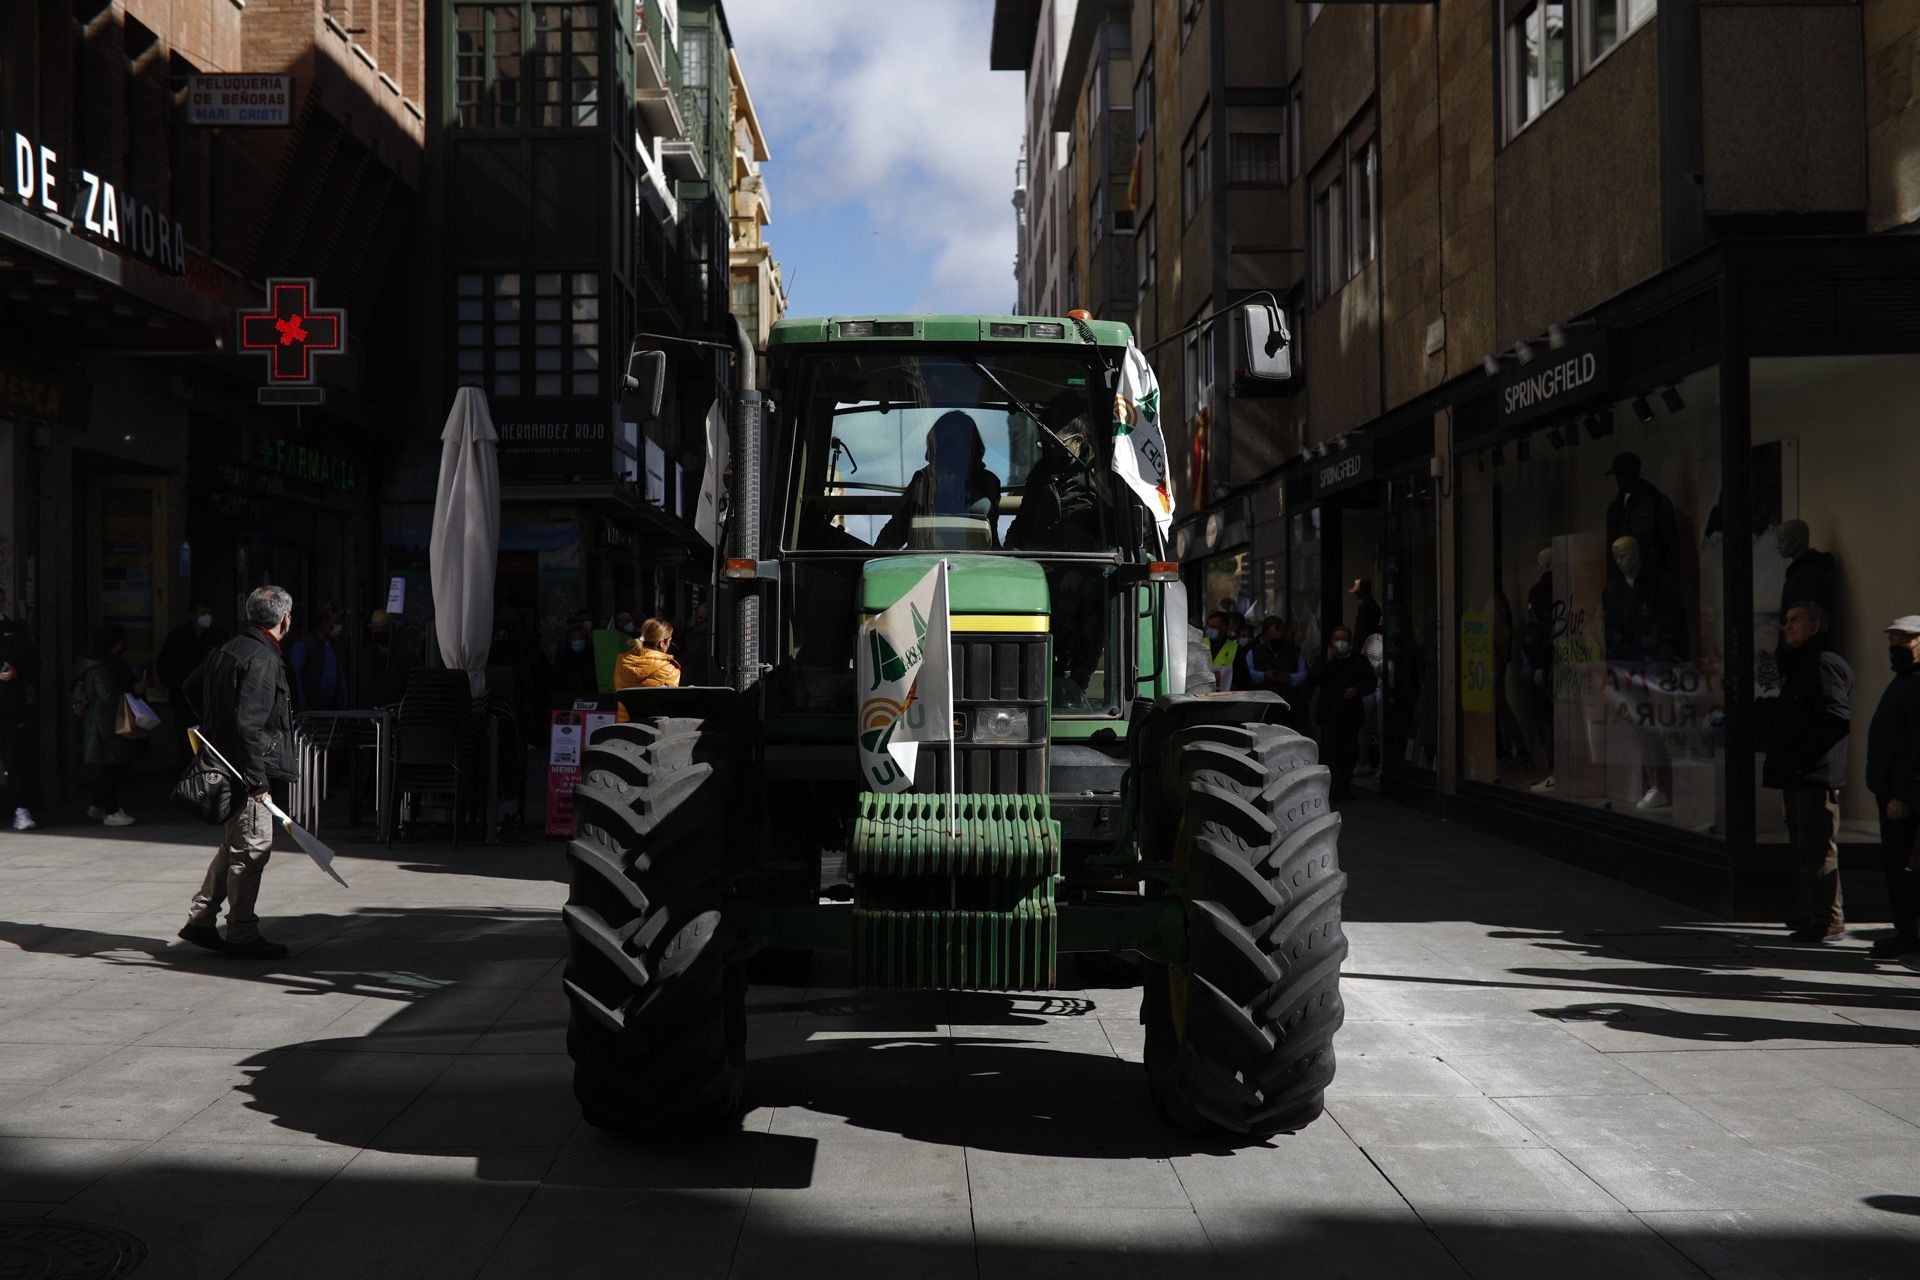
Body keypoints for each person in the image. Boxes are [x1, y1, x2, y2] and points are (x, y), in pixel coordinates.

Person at [179, 586, 298, 959]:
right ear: (285, 619)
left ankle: (201, 919)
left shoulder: (229, 648)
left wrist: (215, 726)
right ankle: (242, 933)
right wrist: (258, 780)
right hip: (247, 768)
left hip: (232, 761)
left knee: (236, 844)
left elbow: (190, 686)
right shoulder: (262, 658)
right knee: (252, 849)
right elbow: (250, 725)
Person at [1761, 603, 1853, 944]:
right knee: (1804, 847)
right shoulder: (1803, 663)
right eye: (1786, 622)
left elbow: (1835, 720)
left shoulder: (1825, 663)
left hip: (1814, 776)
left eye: (1795, 621)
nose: (1788, 627)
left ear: (1815, 626)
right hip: (1799, 774)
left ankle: (1828, 918)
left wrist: (1804, 759)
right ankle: (1814, 909)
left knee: (1818, 848)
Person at [1866, 615, 1920, 961]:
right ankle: (1904, 931)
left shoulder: (1915, 684)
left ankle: (1908, 933)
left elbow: (1916, 744)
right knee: (1896, 865)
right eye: (1893, 640)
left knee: (1903, 866)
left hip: (1903, 796)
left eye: (1905, 640)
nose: (1896, 647)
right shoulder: (1904, 681)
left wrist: (1901, 793)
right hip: (1890, 790)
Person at [876, 412, 1003, 550]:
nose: (950, 449)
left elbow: (985, 520)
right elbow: (896, 531)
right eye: (944, 441)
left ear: (971, 446)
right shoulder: (922, 481)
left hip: (980, 562)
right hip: (923, 560)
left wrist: (947, 495)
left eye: (958, 440)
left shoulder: (987, 482)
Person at [75, 624, 146, 826]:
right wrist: (133, 689)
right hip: (107, 725)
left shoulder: (106, 663)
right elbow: (108, 696)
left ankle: (98, 805)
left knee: (116, 765)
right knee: (112, 767)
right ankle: (112, 810)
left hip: (111, 723)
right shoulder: (100, 667)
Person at [1297, 626, 1376, 804]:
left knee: (1348, 752)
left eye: (1344, 639)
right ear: (1332, 642)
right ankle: (1332, 790)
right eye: (1337, 639)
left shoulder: (1359, 661)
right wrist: (1328, 661)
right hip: (1330, 714)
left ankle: (1345, 788)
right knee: (1331, 753)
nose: (1341, 642)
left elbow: (1370, 682)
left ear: (1350, 642)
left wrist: (1357, 690)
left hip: (1351, 714)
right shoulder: (1325, 660)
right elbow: (1313, 678)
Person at [157, 600, 226, 759]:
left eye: (209, 613)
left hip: (210, 697)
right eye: (202, 613)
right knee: (185, 736)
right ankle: (187, 769)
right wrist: (173, 686)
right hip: (183, 697)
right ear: (192, 615)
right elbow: (163, 664)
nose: (207, 617)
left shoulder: (219, 636)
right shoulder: (178, 636)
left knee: (210, 736)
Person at [1603, 452, 1679, 578]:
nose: (1618, 478)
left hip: (1650, 581)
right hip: (1624, 584)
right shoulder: (1614, 508)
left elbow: (1671, 549)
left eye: (1622, 473)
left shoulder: (1657, 502)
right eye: (1617, 474)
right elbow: (1610, 553)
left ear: (1634, 472)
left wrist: (1669, 586)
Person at [0, 588, 36, 830]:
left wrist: (17, 673)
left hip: (8, 705)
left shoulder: (15, 630)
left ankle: (20, 810)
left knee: (13, 759)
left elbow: (33, 663)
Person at [613, 617, 681, 721]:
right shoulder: (669, 669)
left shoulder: (622, 662)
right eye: (669, 641)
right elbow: (670, 706)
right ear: (662, 643)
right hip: (654, 730)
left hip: (624, 726)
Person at [1776, 519, 1838, 632]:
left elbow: (1808, 627)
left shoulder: (1807, 575)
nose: (1777, 546)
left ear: (1797, 540)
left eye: (1782, 540)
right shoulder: (1800, 572)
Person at [288, 601, 348, 712]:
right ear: (325, 622)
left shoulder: (333, 647)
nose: (335, 625)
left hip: (330, 710)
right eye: (332, 622)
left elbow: (339, 675)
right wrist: (301, 701)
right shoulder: (304, 646)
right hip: (311, 710)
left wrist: (343, 696)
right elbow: (295, 677)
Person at [357, 610, 418, 708]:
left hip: (397, 709)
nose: (380, 631)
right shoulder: (367, 655)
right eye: (376, 629)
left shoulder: (406, 655)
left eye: (383, 628)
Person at [551, 620, 599, 706]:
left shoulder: (592, 658)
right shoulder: (563, 659)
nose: (578, 641)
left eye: (581, 638)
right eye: (575, 639)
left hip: (590, 700)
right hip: (567, 700)